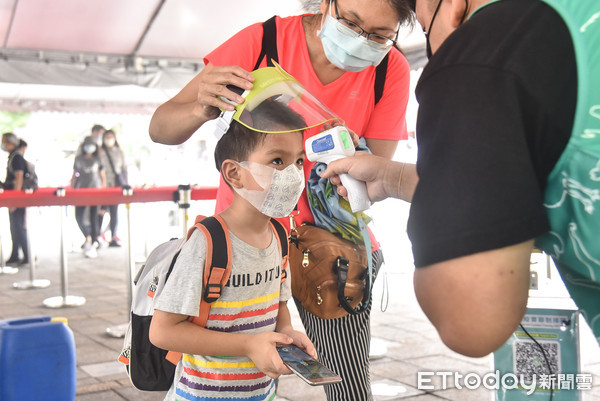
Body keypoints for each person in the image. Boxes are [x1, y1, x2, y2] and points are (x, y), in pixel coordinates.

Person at [149, 1, 414, 398]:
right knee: (227, 361)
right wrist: (201, 107)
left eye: (379, 35)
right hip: (246, 240)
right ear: (326, 4)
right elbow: (161, 127)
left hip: (332, 249)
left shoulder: (389, 69)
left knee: (344, 379)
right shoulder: (262, 43)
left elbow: (372, 175)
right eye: (351, 22)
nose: (361, 41)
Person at [320, 0, 600, 357]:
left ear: (452, 7)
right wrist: (396, 179)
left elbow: (471, 319)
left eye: (424, 28)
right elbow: (513, 175)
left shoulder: (480, 53)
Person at [149, 89, 316, 401]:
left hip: (260, 393)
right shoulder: (208, 242)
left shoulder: (279, 237)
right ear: (234, 173)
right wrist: (248, 345)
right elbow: (163, 331)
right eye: (277, 160)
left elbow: (278, 309)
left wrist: (288, 334)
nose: (293, 175)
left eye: (298, 161)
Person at [71, 136, 106, 258]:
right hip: (81, 190)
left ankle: (93, 241)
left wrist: (104, 192)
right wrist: (72, 189)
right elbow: (74, 175)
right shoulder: (78, 159)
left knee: (94, 217)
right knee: (79, 216)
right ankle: (88, 237)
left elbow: (103, 176)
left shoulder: (98, 159)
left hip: (95, 190)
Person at [1, 132, 29, 266]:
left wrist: (15, 199)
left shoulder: (17, 158)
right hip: (13, 197)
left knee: (19, 226)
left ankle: (27, 255)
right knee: (14, 226)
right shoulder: (13, 156)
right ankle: (15, 254)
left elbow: (19, 178)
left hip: (17, 198)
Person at [98, 129, 127, 247]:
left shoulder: (119, 152)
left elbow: (124, 168)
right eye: (107, 137)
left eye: (111, 137)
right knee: (101, 211)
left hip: (116, 185)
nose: (109, 140)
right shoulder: (100, 152)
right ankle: (98, 236)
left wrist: (126, 184)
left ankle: (113, 236)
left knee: (114, 212)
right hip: (102, 186)